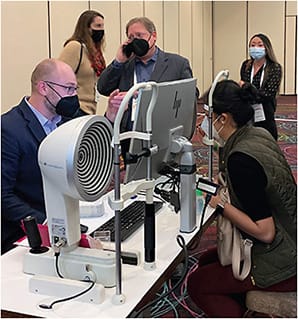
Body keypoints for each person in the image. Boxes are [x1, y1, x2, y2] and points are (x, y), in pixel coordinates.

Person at [187, 80, 296, 317]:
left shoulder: (241, 160)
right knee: (207, 261)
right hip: (290, 237)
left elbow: (266, 232)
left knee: (197, 284)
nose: (202, 123)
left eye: (207, 115)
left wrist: (220, 204)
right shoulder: (256, 134)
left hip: (283, 261)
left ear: (223, 119)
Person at [1, 58, 81, 254]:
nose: (74, 95)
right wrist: (48, 223)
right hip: (23, 235)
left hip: (67, 221)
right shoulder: (9, 129)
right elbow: (3, 195)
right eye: (69, 89)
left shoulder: (67, 122)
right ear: (44, 88)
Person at [97, 16, 198, 160]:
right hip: (130, 133)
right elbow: (103, 88)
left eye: (139, 35)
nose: (135, 40)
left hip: (163, 131)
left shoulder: (178, 63)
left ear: (154, 36)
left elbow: (190, 95)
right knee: (132, 178)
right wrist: (118, 61)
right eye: (131, 37)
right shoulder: (125, 65)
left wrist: (148, 95)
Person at [59, 10, 106, 115]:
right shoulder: (75, 47)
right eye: (98, 26)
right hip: (76, 109)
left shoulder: (95, 52)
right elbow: (59, 77)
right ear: (87, 28)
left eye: (102, 26)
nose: (101, 30)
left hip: (90, 110)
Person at [239, 33, 282, 140]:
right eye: (252, 45)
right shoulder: (246, 65)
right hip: (247, 109)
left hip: (265, 111)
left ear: (267, 48)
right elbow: (243, 90)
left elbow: (267, 95)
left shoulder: (274, 68)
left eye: (259, 45)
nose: (255, 48)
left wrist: (248, 87)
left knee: (266, 139)